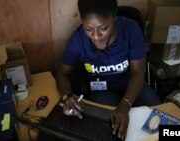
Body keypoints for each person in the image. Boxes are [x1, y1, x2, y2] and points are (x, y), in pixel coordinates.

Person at [55, 0, 162, 140]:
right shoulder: (77, 40)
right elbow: (62, 73)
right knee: (109, 129)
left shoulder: (131, 30)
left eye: (103, 28)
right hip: (102, 90)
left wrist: (125, 105)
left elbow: (137, 73)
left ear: (114, 16)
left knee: (159, 116)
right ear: (82, 22)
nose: (95, 36)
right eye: (88, 29)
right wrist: (67, 96)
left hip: (131, 83)